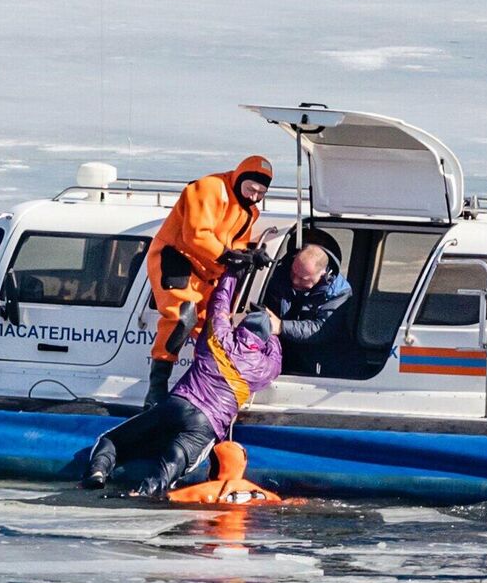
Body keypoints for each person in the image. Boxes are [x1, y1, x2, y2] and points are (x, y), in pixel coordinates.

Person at [83, 269, 282, 497]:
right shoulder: (265, 368)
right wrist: (273, 334)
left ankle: (97, 473)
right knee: (175, 460)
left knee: (111, 439)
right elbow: (277, 358)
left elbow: (219, 303)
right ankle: (145, 493)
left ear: (241, 326)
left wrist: (231, 274)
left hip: (178, 403)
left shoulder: (220, 337)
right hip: (207, 422)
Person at [143, 154, 276, 406]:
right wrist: (227, 255)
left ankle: (202, 385)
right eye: (250, 189)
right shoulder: (209, 188)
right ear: (239, 177)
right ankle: (156, 390)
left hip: (209, 270)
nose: (254, 196)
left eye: (260, 193)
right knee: (181, 317)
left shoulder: (250, 211)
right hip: (176, 257)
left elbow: (236, 243)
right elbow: (195, 234)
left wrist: (250, 255)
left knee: (211, 328)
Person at [265, 243, 352, 374]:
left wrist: (281, 326)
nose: (294, 281)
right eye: (293, 273)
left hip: (317, 357)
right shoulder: (280, 272)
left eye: (303, 279)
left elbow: (322, 329)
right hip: (278, 351)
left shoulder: (339, 293)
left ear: (323, 273)